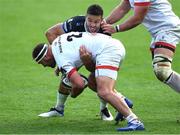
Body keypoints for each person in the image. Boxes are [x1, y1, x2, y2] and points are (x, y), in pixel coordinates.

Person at [32, 32, 145, 131]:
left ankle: (134, 121)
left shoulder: (61, 59)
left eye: (42, 63)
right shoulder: (58, 41)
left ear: (45, 57)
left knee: (104, 91)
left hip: (108, 51)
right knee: (92, 81)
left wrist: (73, 94)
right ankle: (122, 102)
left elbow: (80, 84)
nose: (44, 66)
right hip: (112, 45)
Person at [39, 4, 133, 121]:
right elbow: (50, 32)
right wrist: (60, 57)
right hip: (75, 52)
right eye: (89, 20)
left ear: (102, 21)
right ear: (85, 17)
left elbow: (95, 68)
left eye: (96, 22)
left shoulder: (105, 32)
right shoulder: (76, 22)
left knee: (97, 82)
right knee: (67, 76)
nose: (93, 25)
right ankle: (58, 109)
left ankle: (106, 108)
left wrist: (86, 61)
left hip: (96, 57)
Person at [102, 0, 180, 94]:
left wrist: (116, 28)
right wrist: (101, 23)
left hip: (168, 28)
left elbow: (138, 18)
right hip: (158, 32)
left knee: (162, 70)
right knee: (161, 71)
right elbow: (123, 8)